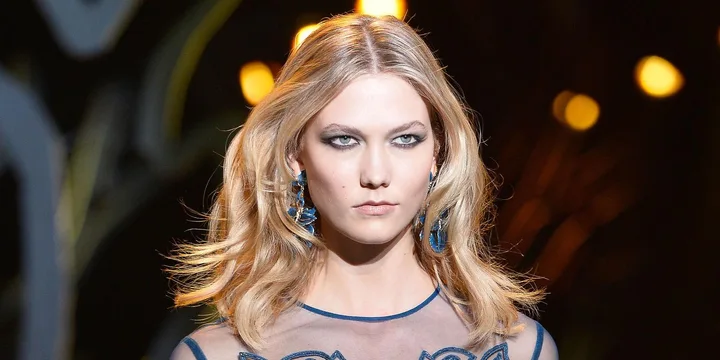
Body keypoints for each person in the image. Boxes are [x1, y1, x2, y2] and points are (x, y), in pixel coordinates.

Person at [168, 12, 558, 360]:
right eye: (344, 140)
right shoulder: (217, 354)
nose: (375, 174)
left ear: (437, 152)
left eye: (405, 139)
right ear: (295, 155)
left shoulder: (519, 348)